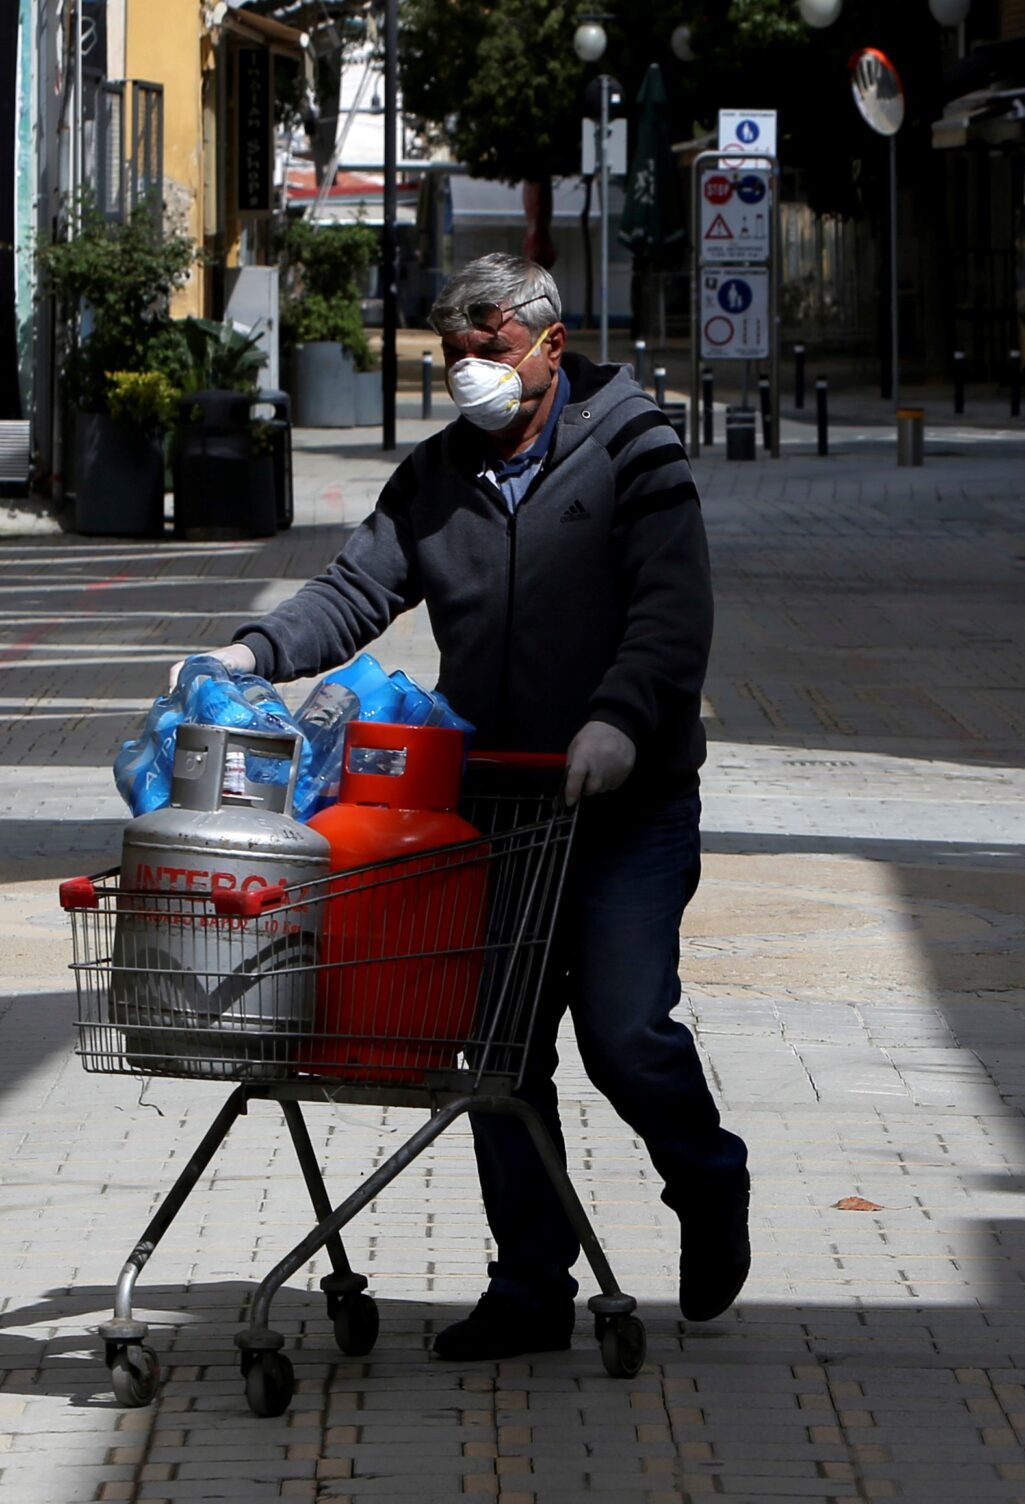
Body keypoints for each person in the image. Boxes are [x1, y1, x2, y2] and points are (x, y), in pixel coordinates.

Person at [179, 253, 749, 1357]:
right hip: (496, 804)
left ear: (548, 340)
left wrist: (622, 721)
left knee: (625, 1034)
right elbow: (354, 588)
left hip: (625, 801)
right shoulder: (438, 475)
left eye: (488, 348)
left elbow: (673, 611)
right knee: (497, 1050)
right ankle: (531, 1287)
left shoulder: (635, 450)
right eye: (453, 354)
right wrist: (248, 651)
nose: (469, 371)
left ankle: (707, 1178)